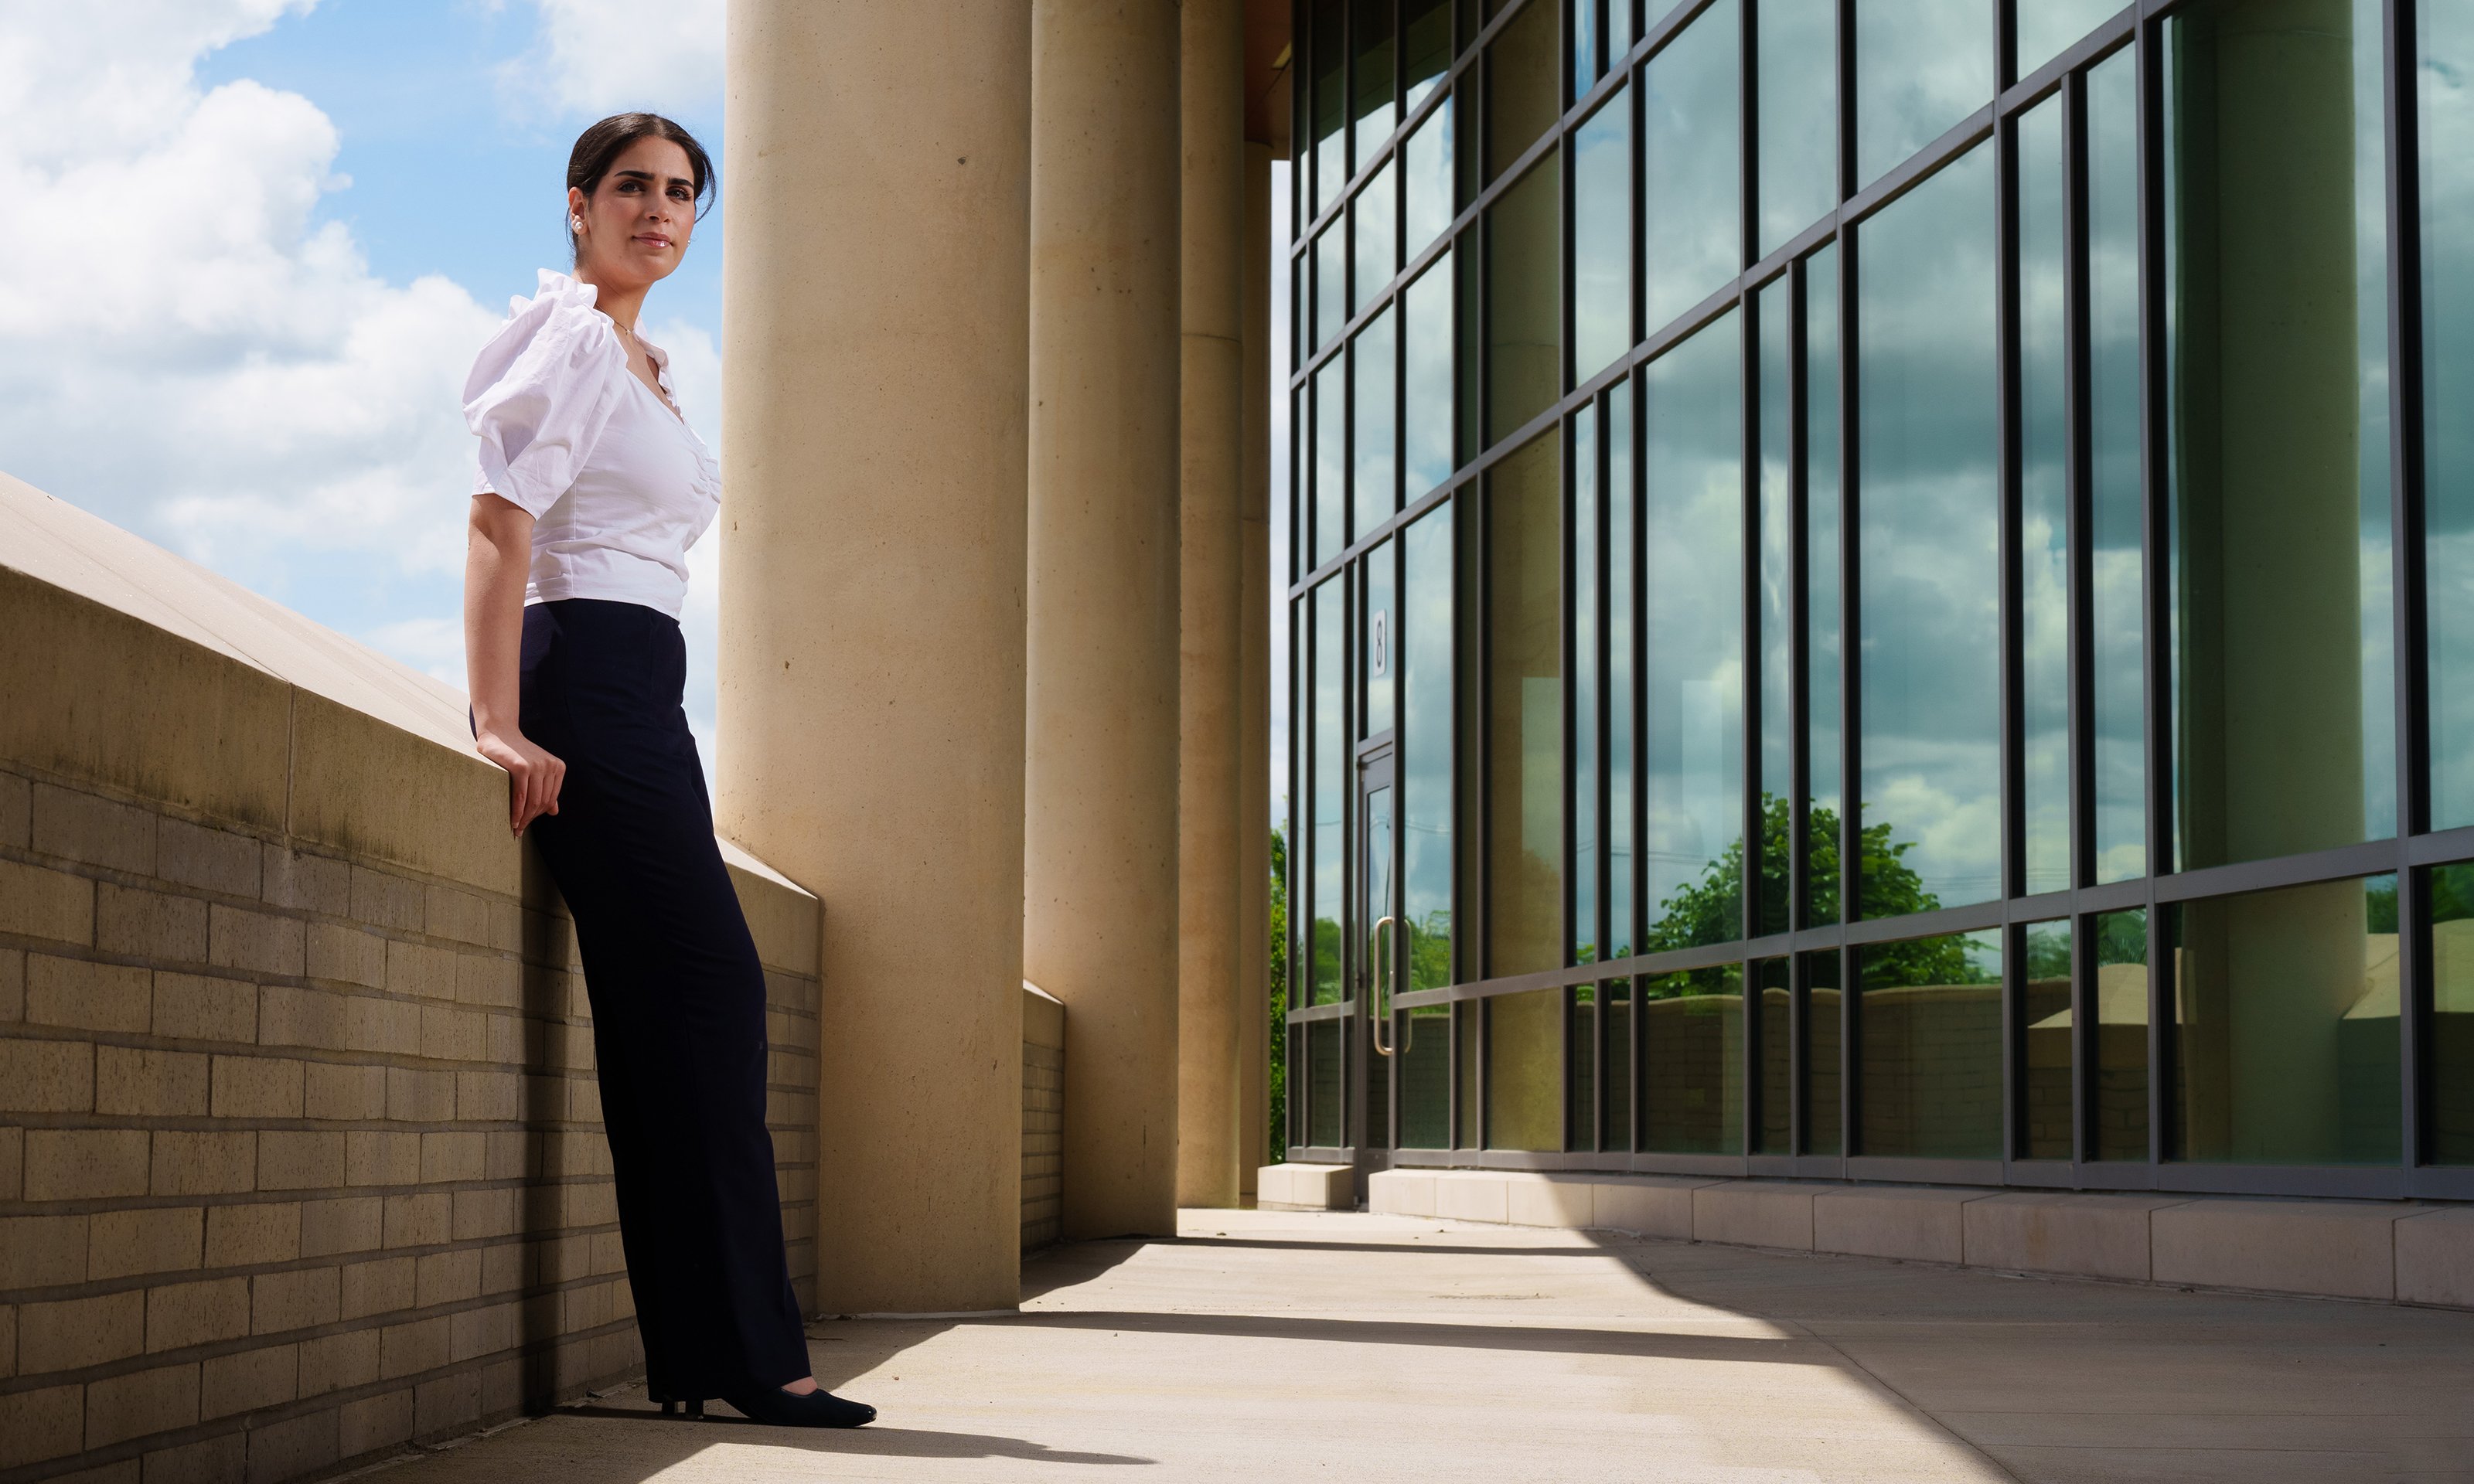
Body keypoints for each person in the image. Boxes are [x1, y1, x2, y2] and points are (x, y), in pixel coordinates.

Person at [458, 112, 872, 1431]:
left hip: (650, 692)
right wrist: (497, 716)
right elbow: (498, 518)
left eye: (683, 192)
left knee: (662, 1025)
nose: (660, 209)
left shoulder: (647, 361)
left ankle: (703, 1360)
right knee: (713, 994)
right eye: (632, 186)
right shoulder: (572, 337)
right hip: (583, 679)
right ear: (577, 204)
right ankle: (760, 1359)